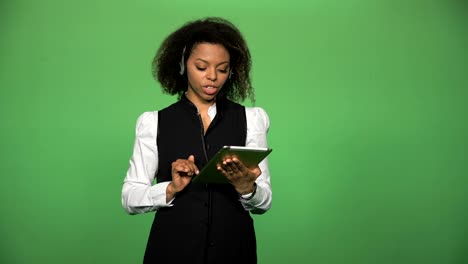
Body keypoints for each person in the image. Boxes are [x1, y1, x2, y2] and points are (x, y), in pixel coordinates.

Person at [121, 17, 272, 264]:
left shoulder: (251, 119)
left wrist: (248, 188)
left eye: (222, 69)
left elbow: (264, 202)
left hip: (234, 252)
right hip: (171, 252)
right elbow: (129, 197)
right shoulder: (153, 122)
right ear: (183, 65)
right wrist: (170, 188)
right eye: (201, 67)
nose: (212, 76)